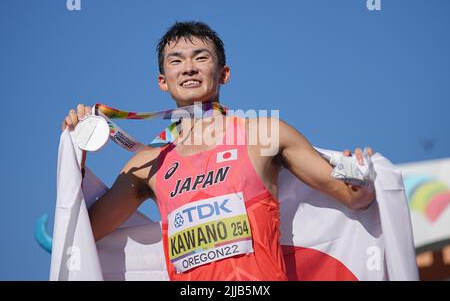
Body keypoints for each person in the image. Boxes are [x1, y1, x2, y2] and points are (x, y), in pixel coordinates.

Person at [61, 21, 375, 281]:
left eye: (201, 57)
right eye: (176, 60)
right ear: (163, 81)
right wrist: (77, 152)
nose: (188, 68)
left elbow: (354, 196)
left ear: (224, 73)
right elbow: (81, 236)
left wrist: (358, 175)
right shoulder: (148, 164)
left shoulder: (264, 133)